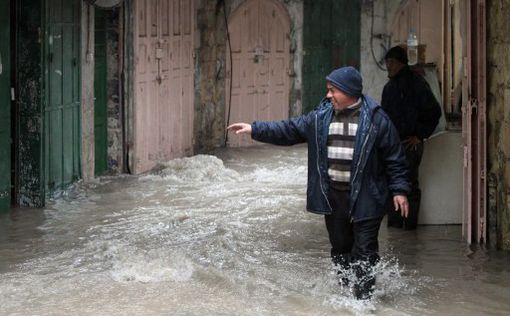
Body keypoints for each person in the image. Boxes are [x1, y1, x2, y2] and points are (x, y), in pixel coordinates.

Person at [227, 66, 410, 300]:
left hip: (367, 197)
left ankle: (364, 302)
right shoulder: (320, 117)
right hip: (334, 197)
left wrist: (400, 191)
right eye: (328, 90)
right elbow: (289, 130)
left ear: (349, 91)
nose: (329, 95)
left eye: (333, 90)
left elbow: (394, 158)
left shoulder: (377, 120)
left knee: (365, 251)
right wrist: (254, 129)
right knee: (341, 250)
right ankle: (347, 295)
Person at [382, 46, 442, 230]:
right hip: (393, 143)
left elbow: (434, 112)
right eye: (387, 63)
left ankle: (408, 227)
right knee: (392, 182)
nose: (388, 67)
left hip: (409, 143)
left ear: (400, 63)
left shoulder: (416, 83)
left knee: (409, 184)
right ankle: (395, 226)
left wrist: (420, 135)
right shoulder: (390, 87)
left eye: (391, 62)